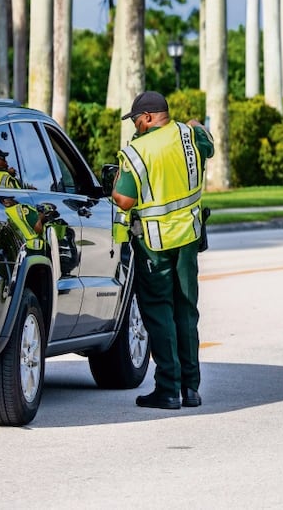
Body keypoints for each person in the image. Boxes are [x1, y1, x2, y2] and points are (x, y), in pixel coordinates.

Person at [113, 91, 214, 410]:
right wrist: (197, 125)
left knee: (159, 312)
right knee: (186, 311)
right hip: (189, 239)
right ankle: (191, 388)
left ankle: (168, 390)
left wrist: (115, 184)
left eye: (136, 121)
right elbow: (207, 144)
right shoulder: (189, 135)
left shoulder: (137, 152)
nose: (136, 127)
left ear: (147, 117)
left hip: (154, 245)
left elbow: (124, 200)